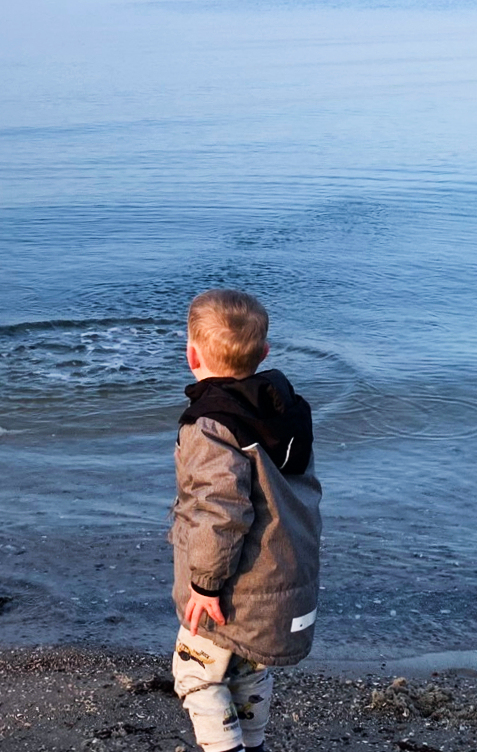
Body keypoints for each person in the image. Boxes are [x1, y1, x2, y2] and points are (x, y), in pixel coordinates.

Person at [168, 289, 323, 752]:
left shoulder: (210, 426)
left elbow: (221, 508)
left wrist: (206, 583)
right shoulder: (286, 411)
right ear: (265, 353)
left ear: (191, 354)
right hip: (284, 576)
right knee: (248, 669)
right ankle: (252, 745)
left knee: (195, 672)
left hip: (233, 589)